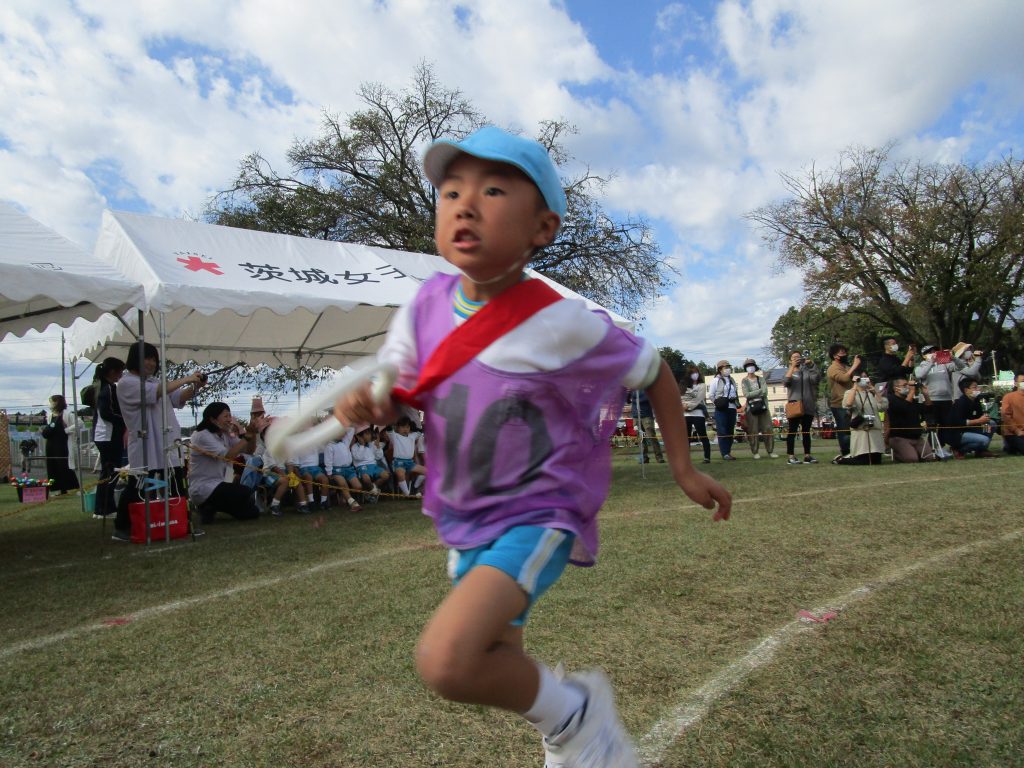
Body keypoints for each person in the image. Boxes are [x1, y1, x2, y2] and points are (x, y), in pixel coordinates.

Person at [332, 127, 732, 767]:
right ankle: (565, 730)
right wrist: (366, 404)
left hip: (538, 512)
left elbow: (655, 370)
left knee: (446, 660)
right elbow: (397, 394)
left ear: (542, 227)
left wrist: (682, 469)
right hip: (465, 516)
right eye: (451, 192)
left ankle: (578, 716)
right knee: (495, 659)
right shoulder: (421, 309)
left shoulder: (561, 319)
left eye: (493, 191)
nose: (465, 205)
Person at [111, 342, 205, 542]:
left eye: (154, 359)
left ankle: (181, 522)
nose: (151, 363)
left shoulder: (155, 382)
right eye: (147, 358)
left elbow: (178, 397)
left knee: (175, 485)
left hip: (167, 442)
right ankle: (123, 526)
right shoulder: (127, 383)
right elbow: (157, 392)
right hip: (145, 443)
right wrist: (187, 378)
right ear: (135, 359)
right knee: (138, 487)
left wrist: (195, 386)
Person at [188, 402, 267, 523]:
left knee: (252, 512)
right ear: (213, 419)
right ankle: (206, 505)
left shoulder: (225, 434)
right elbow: (228, 456)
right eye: (226, 416)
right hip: (203, 488)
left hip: (220, 485)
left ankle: (209, 508)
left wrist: (253, 433)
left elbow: (249, 450)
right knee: (245, 492)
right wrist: (247, 434)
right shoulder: (202, 435)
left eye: (230, 416)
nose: (230, 420)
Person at [915, 344, 971, 453]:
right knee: (932, 425)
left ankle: (944, 446)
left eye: (935, 351)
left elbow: (961, 367)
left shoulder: (944, 365)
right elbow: (920, 375)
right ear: (924, 355)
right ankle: (933, 449)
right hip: (930, 400)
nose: (933, 353)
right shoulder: (921, 366)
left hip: (946, 399)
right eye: (930, 352)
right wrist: (931, 362)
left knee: (946, 424)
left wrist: (953, 357)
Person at [92, 357, 126, 517]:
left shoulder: (103, 386)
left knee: (110, 473)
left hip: (104, 435)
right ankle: (103, 509)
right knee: (109, 473)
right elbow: (107, 413)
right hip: (108, 435)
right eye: (120, 371)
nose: (121, 375)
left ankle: (106, 507)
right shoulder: (108, 389)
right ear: (113, 371)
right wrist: (125, 420)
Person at [835, 374, 887, 465]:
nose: (864, 380)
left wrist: (875, 391)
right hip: (861, 430)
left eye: (866, 378)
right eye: (861, 378)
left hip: (874, 429)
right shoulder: (850, 392)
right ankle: (840, 460)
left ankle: (847, 457)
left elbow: (883, 407)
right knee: (863, 460)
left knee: (876, 461)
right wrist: (855, 385)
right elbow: (848, 404)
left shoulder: (872, 393)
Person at [825, 344, 863, 460]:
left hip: (852, 401)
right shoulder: (832, 368)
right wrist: (855, 365)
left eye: (845, 352)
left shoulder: (846, 366)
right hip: (839, 403)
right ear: (835, 356)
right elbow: (844, 378)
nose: (845, 354)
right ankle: (846, 453)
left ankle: (856, 451)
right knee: (844, 429)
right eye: (842, 353)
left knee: (855, 427)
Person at [886, 377, 936, 463]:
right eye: (905, 385)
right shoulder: (891, 399)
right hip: (899, 437)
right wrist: (912, 392)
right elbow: (903, 408)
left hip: (916, 437)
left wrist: (926, 394)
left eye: (908, 385)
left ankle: (915, 453)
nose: (908, 387)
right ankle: (897, 455)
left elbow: (928, 409)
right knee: (912, 459)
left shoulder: (912, 401)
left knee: (930, 458)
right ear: (895, 388)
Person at [784, 350, 820, 465]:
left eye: (798, 357)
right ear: (790, 360)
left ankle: (807, 455)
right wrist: (792, 367)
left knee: (806, 431)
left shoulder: (807, 371)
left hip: (808, 405)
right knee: (792, 431)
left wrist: (811, 366)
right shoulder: (789, 371)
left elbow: (816, 379)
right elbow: (786, 382)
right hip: (794, 405)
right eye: (794, 357)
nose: (797, 359)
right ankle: (791, 456)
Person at [948, 379, 998, 458]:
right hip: (958, 433)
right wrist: (979, 421)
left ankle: (981, 451)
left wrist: (984, 419)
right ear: (966, 390)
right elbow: (959, 422)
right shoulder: (960, 403)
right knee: (985, 440)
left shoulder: (976, 401)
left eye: (977, 387)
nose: (978, 389)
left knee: (992, 423)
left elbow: (979, 416)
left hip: (971, 429)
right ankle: (959, 450)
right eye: (974, 387)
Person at [40, 394, 79, 493]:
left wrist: (66, 430)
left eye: (52, 402)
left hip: (62, 444)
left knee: (63, 465)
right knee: (52, 466)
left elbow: (79, 423)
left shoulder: (67, 414)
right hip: (51, 444)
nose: (50, 404)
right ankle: (57, 488)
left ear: (57, 402)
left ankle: (70, 487)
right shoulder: (50, 416)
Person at [740, 358, 776, 459]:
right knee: (753, 430)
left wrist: (754, 393)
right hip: (751, 408)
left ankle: (770, 451)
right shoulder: (744, 380)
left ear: (755, 367)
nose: (750, 367)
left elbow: (765, 392)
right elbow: (746, 394)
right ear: (745, 368)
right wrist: (759, 391)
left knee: (768, 429)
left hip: (763, 407)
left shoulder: (761, 379)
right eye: (748, 366)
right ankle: (755, 452)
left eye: (751, 365)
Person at [324, 426, 362, 511]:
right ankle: (353, 504)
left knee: (358, 487)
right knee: (343, 485)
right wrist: (329, 473)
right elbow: (328, 461)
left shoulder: (345, 441)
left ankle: (343, 495)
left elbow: (351, 429)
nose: (343, 433)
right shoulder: (329, 446)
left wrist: (343, 424)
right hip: (337, 470)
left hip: (349, 469)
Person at [387, 416, 426, 496]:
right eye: (403, 427)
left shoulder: (413, 435)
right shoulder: (395, 436)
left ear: (410, 428)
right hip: (398, 463)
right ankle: (407, 494)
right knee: (400, 475)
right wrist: (390, 420)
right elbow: (389, 429)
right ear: (397, 428)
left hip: (410, 463)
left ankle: (414, 488)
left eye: (407, 427)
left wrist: (415, 427)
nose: (405, 429)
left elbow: (421, 430)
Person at [709, 360, 739, 461]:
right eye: (725, 367)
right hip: (721, 409)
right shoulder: (716, 380)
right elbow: (711, 395)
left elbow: (735, 393)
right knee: (722, 431)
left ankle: (728, 452)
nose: (728, 369)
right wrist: (718, 403)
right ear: (720, 369)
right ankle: (724, 453)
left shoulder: (732, 380)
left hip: (732, 407)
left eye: (728, 367)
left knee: (730, 431)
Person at [680, 365, 711, 464]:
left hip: (698, 415)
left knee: (703, 436)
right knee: (686, 438)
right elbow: (680, 397)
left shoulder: (702, 385)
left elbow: (698, 399)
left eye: (696, 372)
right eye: (692, 373)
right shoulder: (683, 385)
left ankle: (707, 457)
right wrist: (682, 405)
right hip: (685, 415)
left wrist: (688, 406)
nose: (695, 375)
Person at [352, 426, 389, 501]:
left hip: (374, 466)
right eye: (367, 434)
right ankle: (374, 492)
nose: (370, 436)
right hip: (362, 467)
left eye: (370, 433)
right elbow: (358, 457)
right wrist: (362, 446)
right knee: (366, 478)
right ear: (359, 436)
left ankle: (371, 491)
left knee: (385, 475)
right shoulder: (355, 447)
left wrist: (378, 447)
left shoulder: (372, 444)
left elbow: (379, 456)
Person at [630, 389, 664, 463]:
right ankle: (644, 458)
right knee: (640, 438)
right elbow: (628, 400)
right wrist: (627, 393)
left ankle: (659, 457)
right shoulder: (632, 390)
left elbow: (646, 398)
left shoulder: (646, 389)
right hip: (636, 417)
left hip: (646, 416)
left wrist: (634, 397)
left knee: (652, 437)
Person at [1000, 371, 1024, 455]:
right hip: (1014, 433)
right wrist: (1017, 431)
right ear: (1016, 383)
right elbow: (1005, 416)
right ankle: (1009, 446)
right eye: (1023, 381)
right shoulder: (1009, 397)